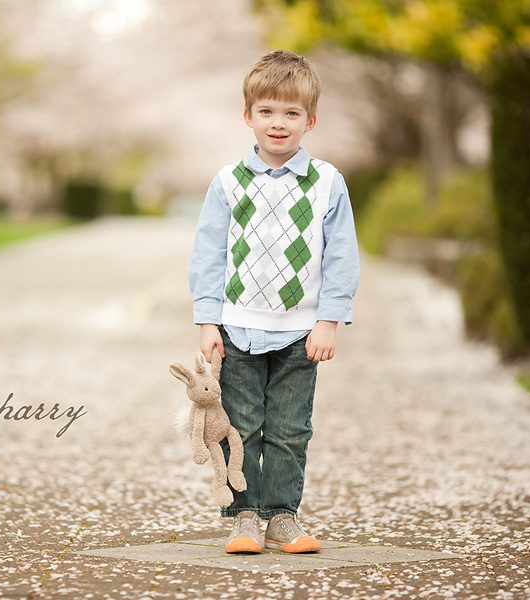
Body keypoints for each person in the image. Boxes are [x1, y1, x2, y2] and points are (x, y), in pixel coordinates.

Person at [187, 49, 361, 554]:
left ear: (311, 120)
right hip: (237, 328)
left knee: (289, 429)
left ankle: (282, 516)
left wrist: (329, 321)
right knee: (239, 428)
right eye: (266, 111)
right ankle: (243, 517)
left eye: (291, 113)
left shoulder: (327, 182)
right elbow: (209, 254)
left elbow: (342, 255)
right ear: (248, 116)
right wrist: (208, 320)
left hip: (301, 334)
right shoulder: (228, 183)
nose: (278, 123)